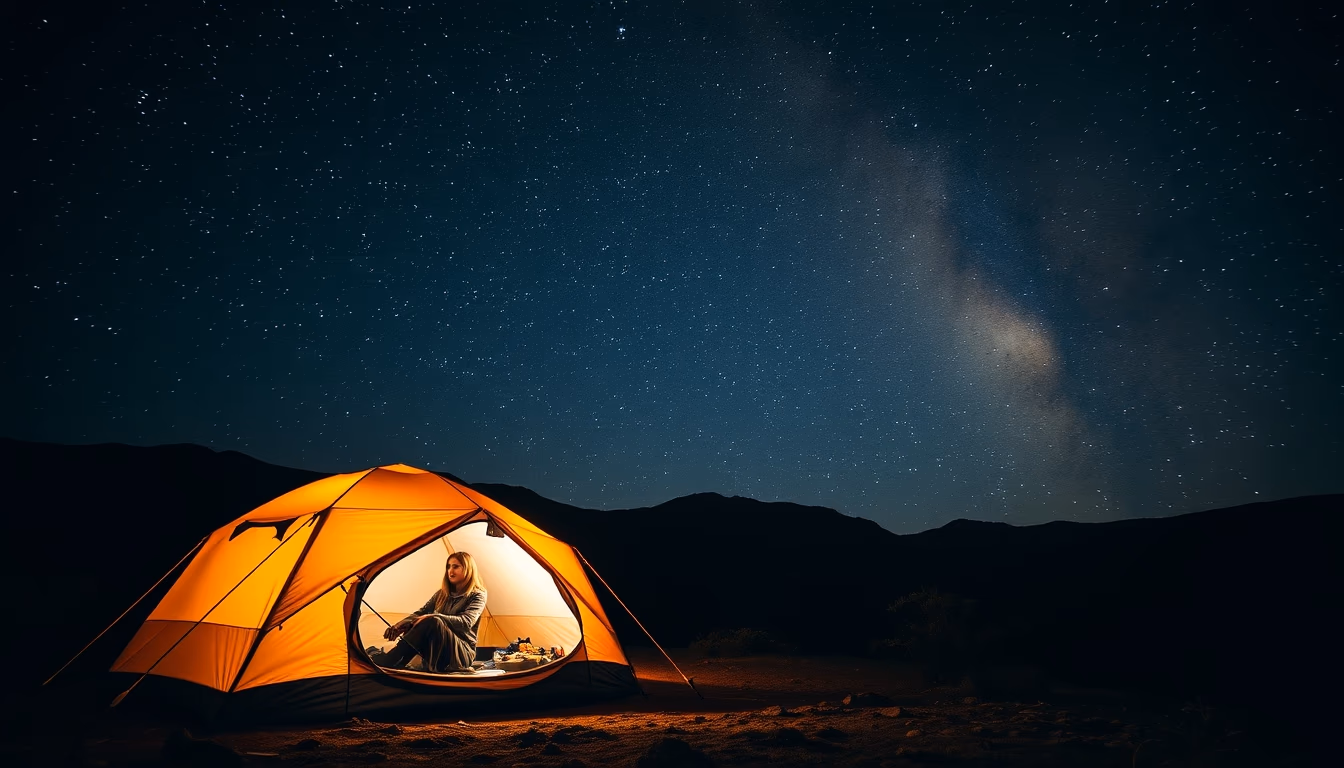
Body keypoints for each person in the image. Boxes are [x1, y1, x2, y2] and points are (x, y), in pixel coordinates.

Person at [370, 551, 487, 674]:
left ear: (468, 568)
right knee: (422, 621)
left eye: (455, 566)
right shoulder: (441, 594)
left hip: (460, 653)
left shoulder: (478, 594)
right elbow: (421, 612)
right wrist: (402, 624)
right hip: (436, 649)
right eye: (448, 566)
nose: (450, 571)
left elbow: (466, 622)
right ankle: (395, 661)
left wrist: (432, 617)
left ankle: (390, 660)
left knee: (433, 621)